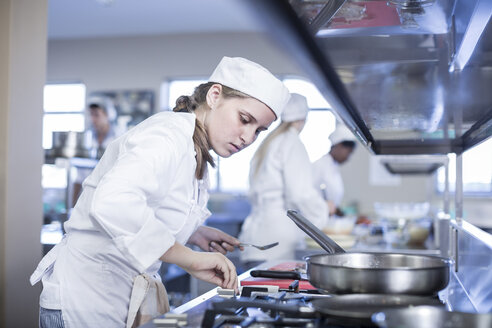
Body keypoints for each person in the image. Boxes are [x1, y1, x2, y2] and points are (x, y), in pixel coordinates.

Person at [30, 56, 290, 328]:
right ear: (215, 95)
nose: (248, 137)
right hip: (87, 297)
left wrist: (194, 233)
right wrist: (190, 259)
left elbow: (148, 205)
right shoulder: (167, 135)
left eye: (259, 130)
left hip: (110, 296)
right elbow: (113, 203)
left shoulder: (193, 146)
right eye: (245, 119)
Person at [238, 93, 330, 266]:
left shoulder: (269, 142)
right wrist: (323, 210)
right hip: (276, 240)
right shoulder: (292, 143)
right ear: (304, 117)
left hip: (255, 236)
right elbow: (300, 194)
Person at [312, 124, 357, 216]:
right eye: (348, 152)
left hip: (326, 217)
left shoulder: (333, 166)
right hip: (316, 217)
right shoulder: (319, 165)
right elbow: (310, 195)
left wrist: (337, 210)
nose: (348, 158)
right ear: (339, 146)